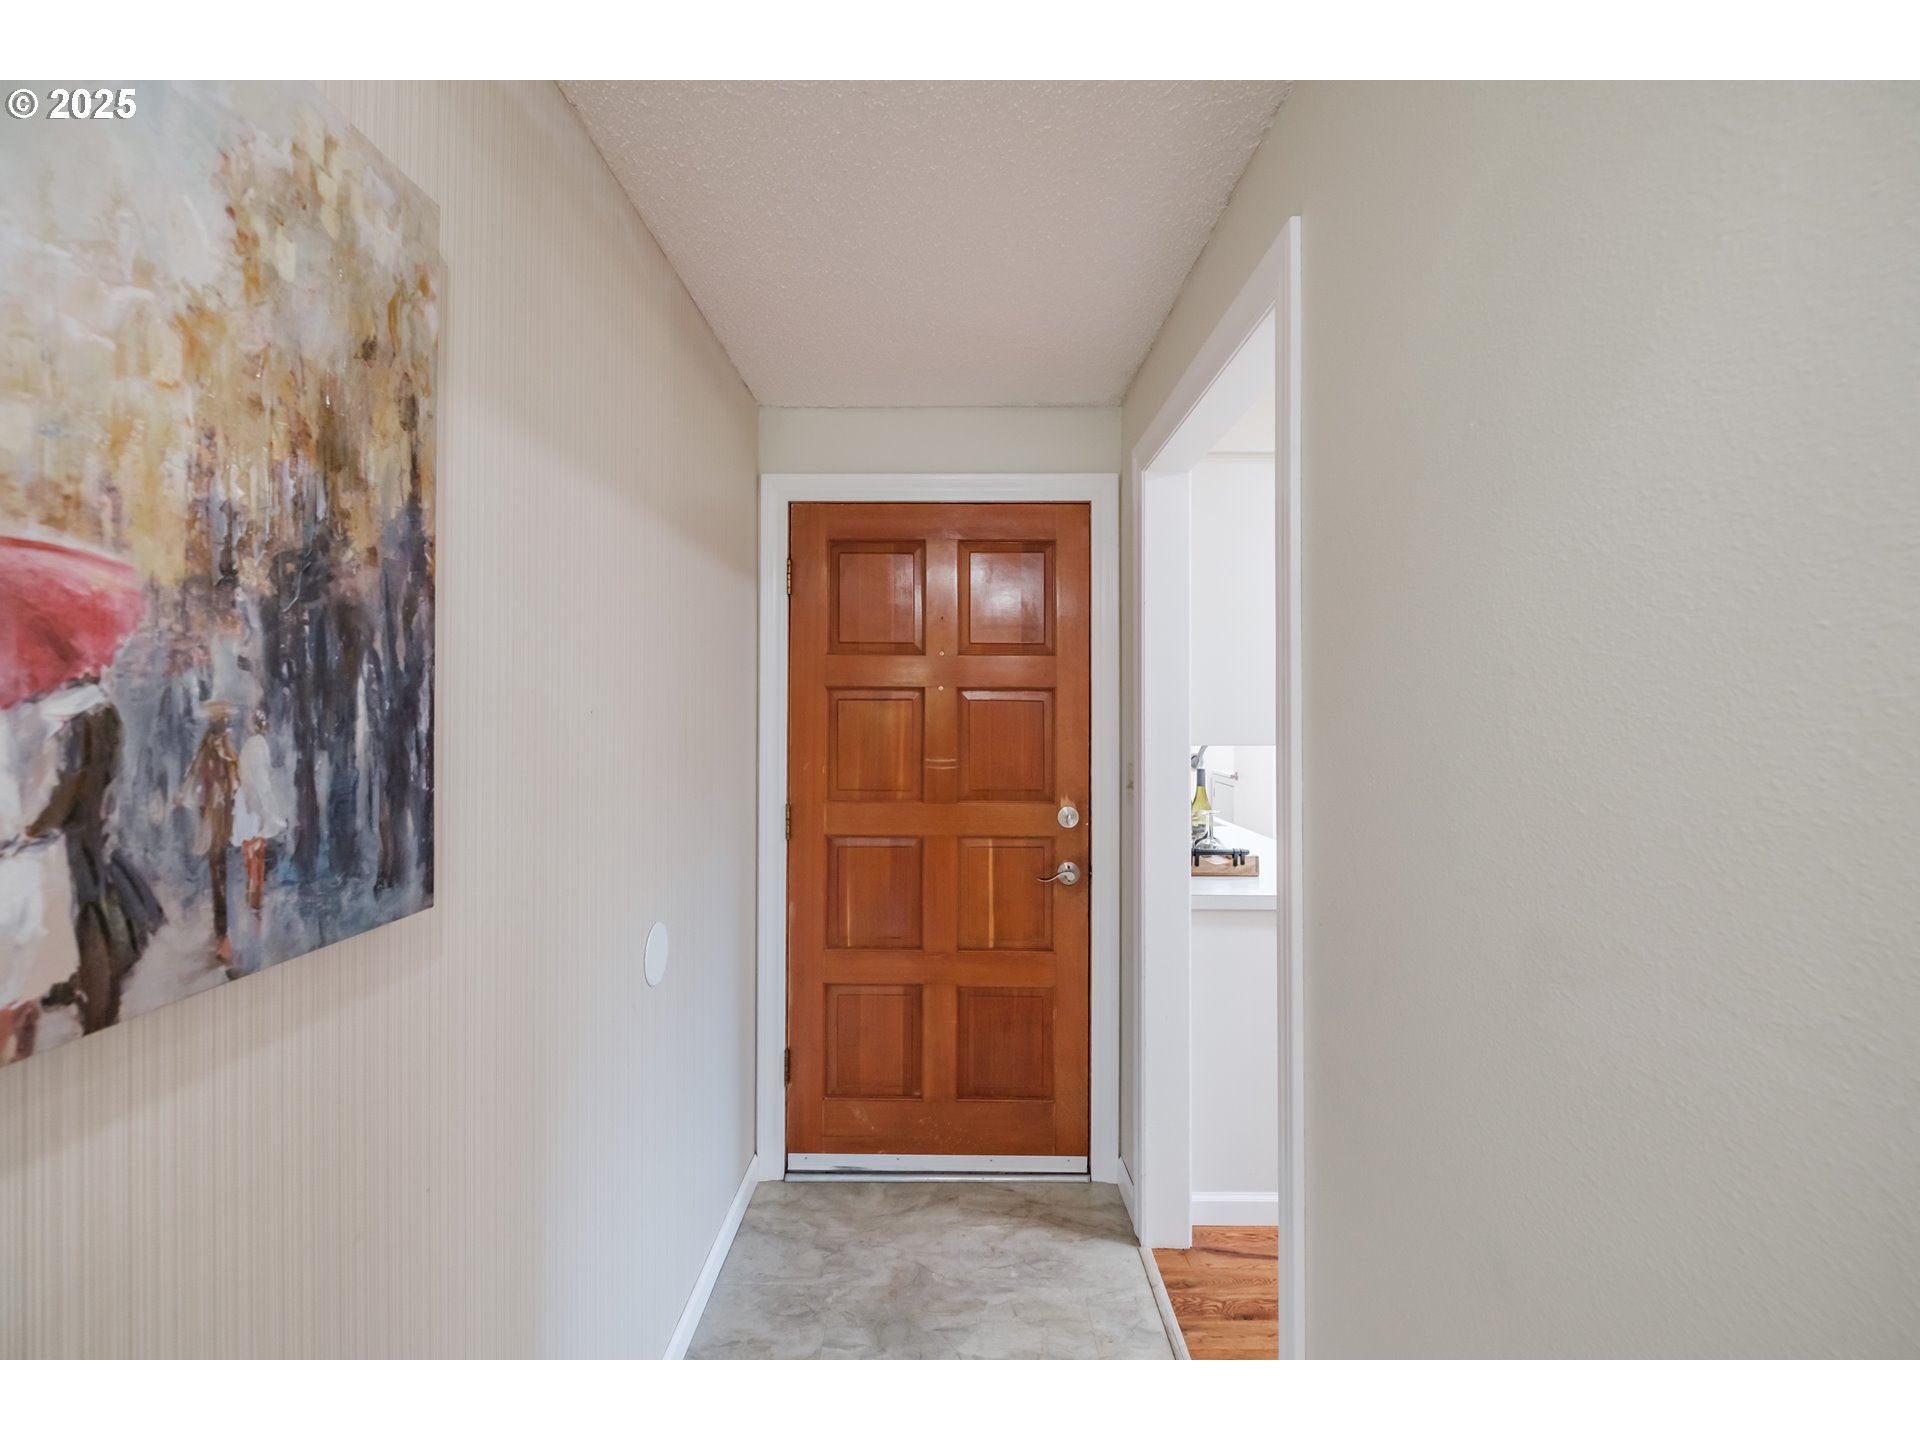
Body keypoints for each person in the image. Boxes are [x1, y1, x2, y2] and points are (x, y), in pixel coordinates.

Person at [25, 680, 164, 1036]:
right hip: (95, 827)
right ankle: (98, 988)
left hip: (77, 836)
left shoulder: (76, 718)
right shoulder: (104, 711)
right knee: (100, 901)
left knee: (87, 911)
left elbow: (71, 784)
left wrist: (35, 828)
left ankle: (90, 992)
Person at [188, 705, 240, 973]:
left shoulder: (219, 752)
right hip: (217, 822)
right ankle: (223, 937)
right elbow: (206, 787)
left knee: (220, 876)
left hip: (219, 822)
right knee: (220, 877)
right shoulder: (215, 753)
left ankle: (223, 936)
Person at [232, 708, 287, 921]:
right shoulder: (258, 746)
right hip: (253, 802)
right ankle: (255, 897)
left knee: (252, 852)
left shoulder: (250, 746)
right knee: (257, 853)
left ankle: (253, 896)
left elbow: (253, 777)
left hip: (248, 801)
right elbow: (261, 780)